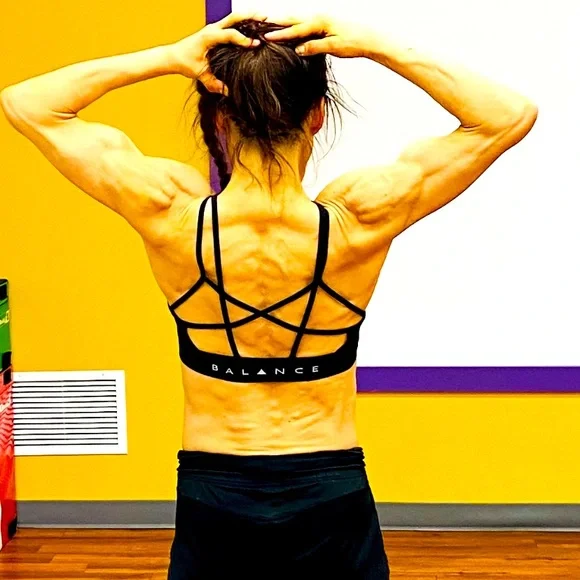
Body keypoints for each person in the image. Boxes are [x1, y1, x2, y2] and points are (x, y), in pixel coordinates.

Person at [0, 11, 537, 580]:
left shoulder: (169, 210)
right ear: (318, 114)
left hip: (214, 487)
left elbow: (27, 104)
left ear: (220, 117)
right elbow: (508, 116)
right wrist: (375, 46)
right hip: (330, 483)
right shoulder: (361, 214)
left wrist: (169, 57)